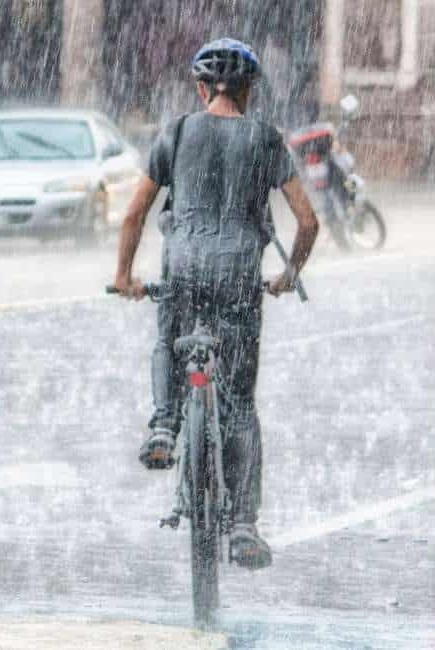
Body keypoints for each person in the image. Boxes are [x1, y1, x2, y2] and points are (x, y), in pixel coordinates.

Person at [112, 38, 320, 570]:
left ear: (201, 88)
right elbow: (308, 220)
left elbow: (135, 214)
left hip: (183, 269)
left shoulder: (177, 132)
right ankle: (245, 525)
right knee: (239, 406)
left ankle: (163, 424)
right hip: (238, 279)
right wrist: (288, 273)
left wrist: (123, 276)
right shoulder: (266, 140)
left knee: (168, 336)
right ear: (248, 90)